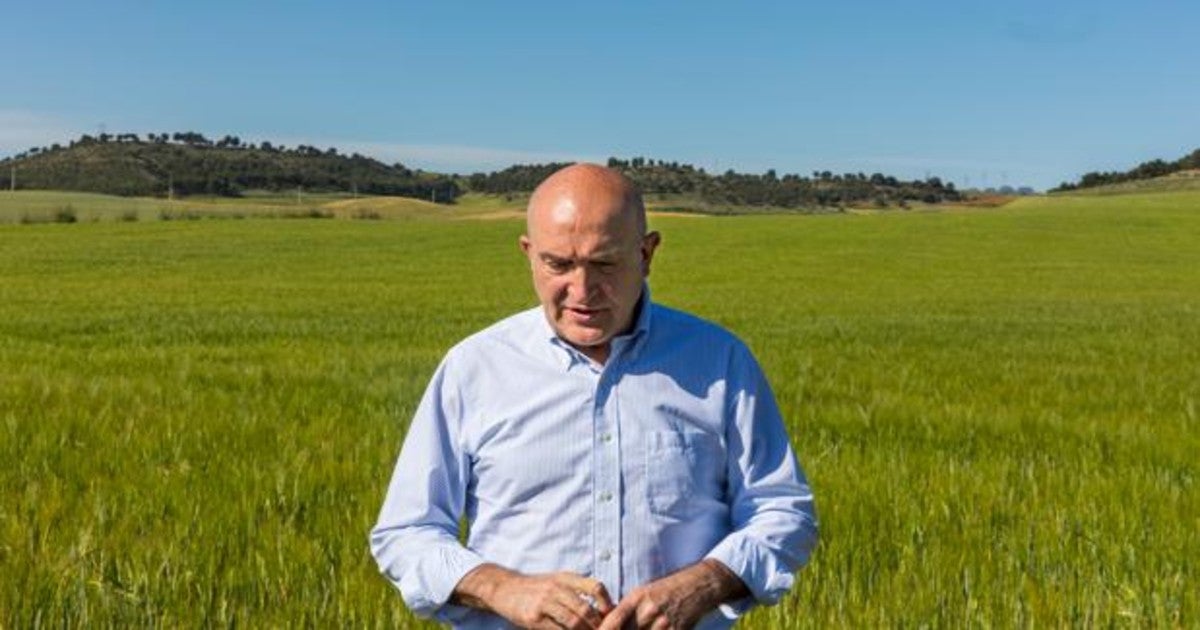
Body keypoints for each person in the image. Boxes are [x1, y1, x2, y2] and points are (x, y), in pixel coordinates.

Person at [370, 163, 817, 629]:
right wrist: (503, 589)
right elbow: (407, 533)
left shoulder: (719, 361)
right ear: (529, 254)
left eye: (604, 263)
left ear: (647, 254)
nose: (581, 291)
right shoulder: (474, 369)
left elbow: (782, 510)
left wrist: (704, 584)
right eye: (558, 264)